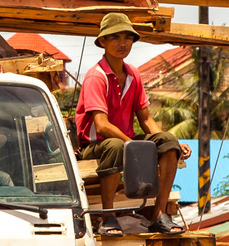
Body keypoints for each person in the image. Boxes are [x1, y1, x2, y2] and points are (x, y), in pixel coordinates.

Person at [73, 12, 191, 234]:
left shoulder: (133, 74)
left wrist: (173, 144)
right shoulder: (96, 76)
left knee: (168, 141)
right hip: (95, 145)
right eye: (115, 37)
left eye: (127, 37)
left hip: (125, 142)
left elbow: (146, 119)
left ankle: (159, 214)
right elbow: (101, 126)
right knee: (116, 145)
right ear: (103, 42)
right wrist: (136, 148)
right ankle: (108, 217)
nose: (123, 43)